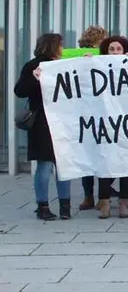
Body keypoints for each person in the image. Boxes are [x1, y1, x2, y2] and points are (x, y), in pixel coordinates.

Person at [15, 34, 71, 221]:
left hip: (61, 120)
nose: (63, 48)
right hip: (42, 122)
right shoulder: (34, 65)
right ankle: (47, 205)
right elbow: (20, 91)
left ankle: (61, 206)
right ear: (53, 46)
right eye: (61, 45)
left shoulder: (65, 63)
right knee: (48, 165)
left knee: (61, 164)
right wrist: (34, 78)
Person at [94, 36, 128, 219]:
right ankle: (104, 202)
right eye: (112, 49)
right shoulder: (98, 66)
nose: (115, 52)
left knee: (126, 165)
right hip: (105, 124)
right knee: (106, 164)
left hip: (127, 124)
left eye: (118, 49)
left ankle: (123, 203)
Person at [76, 25, 109, 211]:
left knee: (89, 157)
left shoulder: (77, 57)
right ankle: (99, 196)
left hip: (87, 113)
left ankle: (90, 196)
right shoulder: (81, 58)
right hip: (97, 112)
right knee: (99, 156)